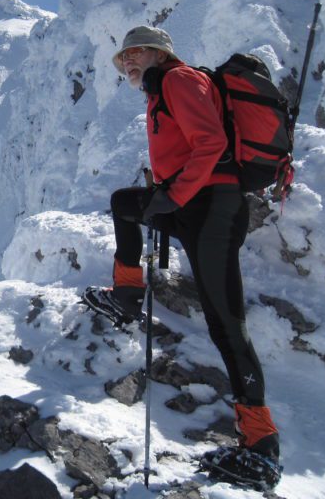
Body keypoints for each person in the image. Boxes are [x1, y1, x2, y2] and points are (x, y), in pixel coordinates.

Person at [82, 25, 280, 470]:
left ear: (160, 54)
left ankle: (261, 442)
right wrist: (167, 194)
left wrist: (174, 194)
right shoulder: (160, 91)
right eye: (123, 58)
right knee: (124, 204)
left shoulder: (179, 79)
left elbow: (211, 142)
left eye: (137, 53)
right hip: (195, 204)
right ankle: (129, 295)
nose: (128, 62)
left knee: (226, 324)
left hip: (213, 208)